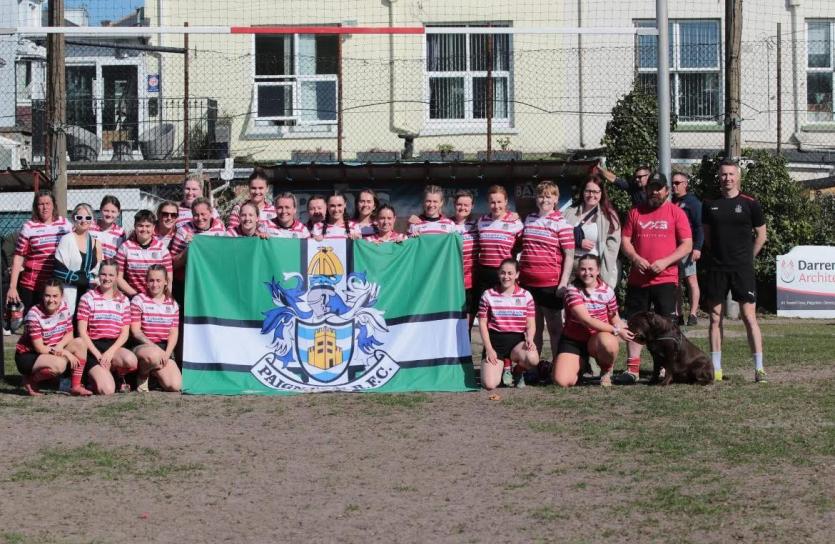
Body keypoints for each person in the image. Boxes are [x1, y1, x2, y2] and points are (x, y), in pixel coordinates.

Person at [616, 173, 692, 385]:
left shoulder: (676, 213)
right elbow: (625, 240)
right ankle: (632, 369)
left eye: (659, 188)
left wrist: (665, 262)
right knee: (635, 324)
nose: (655, 192)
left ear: (667, 191)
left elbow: (687, 244)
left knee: (666, 326)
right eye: (651, 188)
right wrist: (635, 258)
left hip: (665, 279)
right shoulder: (635, 212)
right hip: (638, 279)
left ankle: (665, 368)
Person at [702, 159, 768, 383]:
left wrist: (747, 259)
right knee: (714, 317)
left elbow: (761, 236)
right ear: (719, 177)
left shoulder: (750, 203)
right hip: (718, 268)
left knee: (749, 317)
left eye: (731, 174)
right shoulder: (709, 203)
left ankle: (759, 369)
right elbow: (708, 237)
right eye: (723, 174)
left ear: (738, 176)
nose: (727, 178)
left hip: (742, 269)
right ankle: (716, 369)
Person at [554, 254, 633, 388]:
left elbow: (614, 318)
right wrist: (616, 330)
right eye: (583, 269)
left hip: (598, 339)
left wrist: (626, 330)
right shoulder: (572, 290)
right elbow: (586, 320)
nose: (587, 273)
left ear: (598, 270)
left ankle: (606, 370)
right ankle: (582, 364)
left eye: (591, 269)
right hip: (574, 340)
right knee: (562, 381)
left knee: (608, 343)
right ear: (578, 271)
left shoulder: (608, 291)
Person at [518, 180, 575, 359]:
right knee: (533, 329)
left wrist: (563, 283)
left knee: (555, 329)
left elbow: (570, 255)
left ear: (556, 199)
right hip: (527, 283)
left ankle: (557, 366)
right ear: (536, 199)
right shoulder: (529, 219)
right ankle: (533, 367)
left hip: (551, 284)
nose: (544, 200)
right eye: (541, 196)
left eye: (549, 196)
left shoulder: (562, 223)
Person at [14, 279, 90, 396]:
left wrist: (59, 347)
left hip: (51, 349)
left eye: (55, 296)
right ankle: (30, 380)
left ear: (61, 296)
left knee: (80, 343)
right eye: (47, 296)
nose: (51, 300)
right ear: (42, 296)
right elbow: (40, 348)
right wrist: (64, 352)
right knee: (60, 365)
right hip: (29, 355)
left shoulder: (64, 307)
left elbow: (69, 334)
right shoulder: (34, 314)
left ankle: (76, 386)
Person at [76, 259, 137, 394]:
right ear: (99, 275)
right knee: (107, 390)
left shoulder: (124, 300)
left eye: (111, 275)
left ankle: (115, 373)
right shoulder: (87, 298)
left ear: (116, 277)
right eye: (103, 274)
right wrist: (98, 355)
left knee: (131, 361)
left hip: (113, 347)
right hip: (93, 348)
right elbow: (82, 331)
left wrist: (110, 353)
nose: (107, 278)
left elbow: (125, 333)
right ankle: (91, 377)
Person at [477, 258, 538, 389]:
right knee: (489, 385)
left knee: (533, 359)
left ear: (517, 274)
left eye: (510, 273)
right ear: (498, 273)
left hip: (517, 343)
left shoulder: (526, 295)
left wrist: (530, 338)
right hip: (495, 343)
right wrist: (489, 349)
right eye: (503, 273)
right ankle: (504, 366)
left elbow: (530, 323)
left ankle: (517, 371)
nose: (506, 276)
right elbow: (482, 323)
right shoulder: (487, 295)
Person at [7, 191, 72, 314]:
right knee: (31, 320)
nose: (45, 207)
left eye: (48, 203)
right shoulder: (29, 227)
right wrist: (13, 287)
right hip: (32, 285)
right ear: (36, 207)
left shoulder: (65, 225)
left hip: (56, 285)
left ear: (53, 205)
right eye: (41, 204)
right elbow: (19, 256)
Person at [564, 175, 622, 288]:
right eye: (588, 191)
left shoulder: (609, 216)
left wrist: (604, 273)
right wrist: (577, 241)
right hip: (571, 267)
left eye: (596, 192)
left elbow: (612, 248)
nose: (591, 195)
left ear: (601, 193)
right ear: (583, 192)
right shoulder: (569, 212)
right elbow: (559, 235)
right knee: (571, 298)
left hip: (594, 269)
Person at [131, 265, 182, 392]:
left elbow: (173, 333)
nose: (155, 284)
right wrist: (155, 348)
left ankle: (154, 374)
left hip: (164, 349)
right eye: (151, 280)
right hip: (143, 346)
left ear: (165, 282)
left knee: (175, 386)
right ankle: (142, 375)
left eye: (158, 280)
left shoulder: (173, 304)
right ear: (146, 282)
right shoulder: (138, 300)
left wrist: (167, 353)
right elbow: (136, 332)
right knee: (153, 355)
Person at [53, 203, 103, 314]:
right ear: (73, 218)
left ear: (92, 220)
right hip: (68, 293)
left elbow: (99, 272)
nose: (83, 221)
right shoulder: (66, 240)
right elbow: (58, 271)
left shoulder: (97, 244)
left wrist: (92, 280)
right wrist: (84, 280)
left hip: (90, 296)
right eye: (79, 217)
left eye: (88, 218)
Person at [476, 185, 523, 301]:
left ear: (506, 201)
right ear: (488, 203)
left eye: (499, 202)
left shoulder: (515, 222)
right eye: (492, 202)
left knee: (503, 306)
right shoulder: (481, 221)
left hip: (504, 273)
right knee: (483, 307)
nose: (496, 206)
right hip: (484, 272)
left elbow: (522, 247)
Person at [671, 171, 704, 326]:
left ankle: (693, 314)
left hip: (687, 247)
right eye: (672, 183)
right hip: (672, 248)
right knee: (675, 282)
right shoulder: (671, 201)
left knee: (691, 280)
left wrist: (697, 247)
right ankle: (678, 314)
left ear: (685, 184)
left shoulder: (693, 202)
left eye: (677, 183)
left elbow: (699, 227)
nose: (674, 186)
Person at [116, 209, 173, 297]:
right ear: (135, 226)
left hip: (156, 297)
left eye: (147, 226)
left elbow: (168, 279)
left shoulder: (162, 249)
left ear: (153, 227)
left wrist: (165, 298)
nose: (144, 229)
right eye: (140, 225)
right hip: (133, 296)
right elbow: (118, 277)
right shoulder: (125, 247)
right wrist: (137, 296)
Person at [451, 190, 479, 326]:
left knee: (466, 326)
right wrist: (415, 220)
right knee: (451, 325)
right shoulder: (446, 224)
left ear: (472, 206)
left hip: (471, 284)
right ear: (454, 204)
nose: (462, 208)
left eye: (466, 205)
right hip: (450, 284)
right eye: (459, 204)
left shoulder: (477, 225)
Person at [90, 195, 125, 260]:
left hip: (109, 266)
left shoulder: (121, 233)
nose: (109, 214)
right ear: (100, 210)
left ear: (118, 213)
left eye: (113, 211)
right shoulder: (90, 226)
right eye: (106, 210)